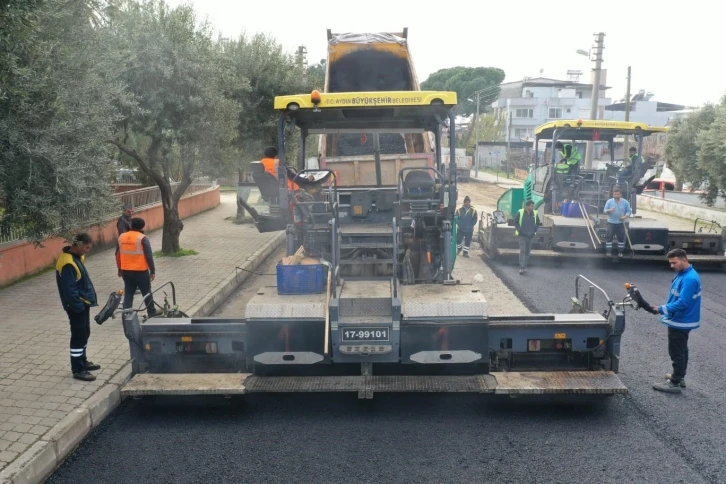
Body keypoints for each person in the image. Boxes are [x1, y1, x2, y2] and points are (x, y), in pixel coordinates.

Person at [651, 249, 701, 394]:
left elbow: (683, 303)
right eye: (670, 263)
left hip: (681, 321)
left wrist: (661, 309)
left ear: (684, 260)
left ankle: (674, 383)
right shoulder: (683, 274)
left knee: (676, 351)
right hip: (682, 320)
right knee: (682, 349)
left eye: (674, 262)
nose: (672, 266)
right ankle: (679, 376)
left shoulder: (689, 279)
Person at [55, 233, 100, 381]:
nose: (87, 250)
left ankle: (83, 361)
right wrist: (78, 306)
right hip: (76, 306)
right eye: (86, 247)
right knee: (78, 336)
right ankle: (78, 369)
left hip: (82, 304)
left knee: (84, 332)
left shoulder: (75, 257)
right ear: (79, 245)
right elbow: (69, 289)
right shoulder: (68, 263)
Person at [116, 217, 157, 318]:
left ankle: (126, 314)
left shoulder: (121, 237)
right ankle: (152, 314)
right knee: (146, 293)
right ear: (142, 226)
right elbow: (148, 256)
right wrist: (152, 271)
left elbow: (117, 254)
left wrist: (119, 268)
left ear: (131, 225)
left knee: (129, 292)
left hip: (126, 270)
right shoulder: (142, 238)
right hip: (141, 271)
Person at [513, 200, 541, 275]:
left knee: (527, 252)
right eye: (531, 206)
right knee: (522, 250)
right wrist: (520, 230)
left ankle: (525, 266)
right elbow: (515, 222)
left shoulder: (535, 213)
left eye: (533, 206)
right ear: (527, 206)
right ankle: (521, 267)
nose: (533, 207)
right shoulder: (520, 212)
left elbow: (538, 223)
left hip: (530, 235)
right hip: (522, 235)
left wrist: (534, 229)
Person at [603, 186, 632, 258]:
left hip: (620, 223)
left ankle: (620, 252)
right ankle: (608, 252)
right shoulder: (609, 201)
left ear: (620, 194)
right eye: (614, 194)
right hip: (611, 223)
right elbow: (604, 210)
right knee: (609, 237)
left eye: (617, 194)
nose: (616, 196)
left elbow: (629, 211)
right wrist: (609, 210)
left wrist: (625, 217)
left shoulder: (625, 202)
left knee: (621, 238)